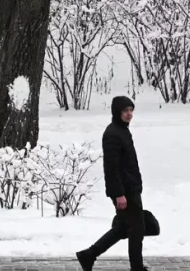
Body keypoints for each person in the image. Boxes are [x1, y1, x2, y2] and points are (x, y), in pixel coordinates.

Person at [76, 95, 146, 271]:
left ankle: (88, 255)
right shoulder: (113, 134)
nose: (129, 114)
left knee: (124, 228)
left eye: (131, 110)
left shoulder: (122, 130)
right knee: (136, 230)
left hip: (131, 188)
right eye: (125, 110)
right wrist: (119, 194)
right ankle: (136, 268)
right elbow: (111, 168)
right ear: (117, 112)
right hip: (125, 191)